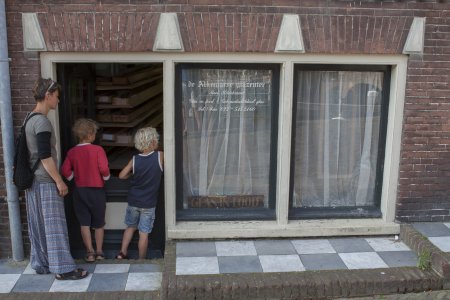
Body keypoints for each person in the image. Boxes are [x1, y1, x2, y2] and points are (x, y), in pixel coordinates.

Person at [25, 77, 88, 280]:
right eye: (57, 97)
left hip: (34, 182)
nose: (59, 101)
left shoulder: (29, 119)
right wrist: (59, 181)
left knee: (40, 226)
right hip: (45, 181)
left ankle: (43, 263)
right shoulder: (42, 122)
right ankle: (63, 269)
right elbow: (45, 155)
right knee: (55, 227)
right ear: (48, 96)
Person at [61, 118, 110, 263]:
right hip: (97, 191)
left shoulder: (72, 152)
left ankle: (90, 253)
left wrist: (73, 177)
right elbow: (104, 169)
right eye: (94, 133)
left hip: (80, 191)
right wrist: (106, 178)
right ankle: (100, 252)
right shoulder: (98, 150)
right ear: (89, 135)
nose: (95, 135)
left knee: (84, 223)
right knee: (99, 223)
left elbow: (64, 170)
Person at [116, 127, 163, 259]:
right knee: (144, 233)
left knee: (130, 227)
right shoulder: (160, 156)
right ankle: (141, 260)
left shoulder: (135, 159)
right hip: (148, 204)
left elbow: (121, 175)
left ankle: (122, 252)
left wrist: (131, 176)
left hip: (133, 201)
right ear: (153, 142)